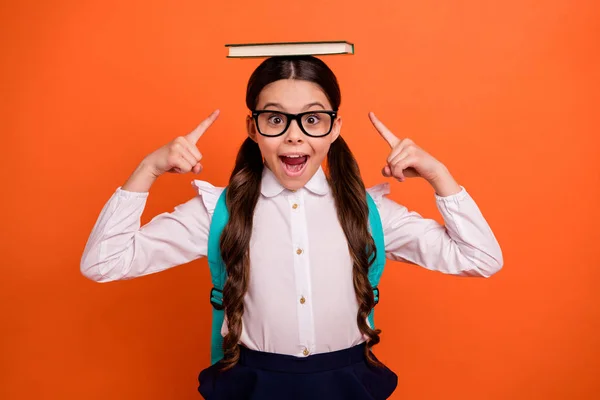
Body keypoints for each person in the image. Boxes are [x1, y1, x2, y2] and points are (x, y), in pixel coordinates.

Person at [80, 55, 503, 399]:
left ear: (335, 128)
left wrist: (438, 175)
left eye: (313, 120)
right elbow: (104, 263)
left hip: (348, 384)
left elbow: (480, 258)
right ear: (253, 129)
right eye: (276, 119)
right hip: (252, 384)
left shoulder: (369, 211)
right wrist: (147, 169)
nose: (294, 137)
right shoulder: (217, 212)